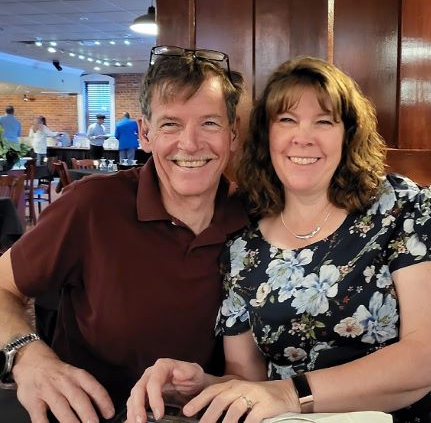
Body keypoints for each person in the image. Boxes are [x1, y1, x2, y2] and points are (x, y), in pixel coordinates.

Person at [127, 57, 431, 423]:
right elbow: (248, 381)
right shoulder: (242, 242)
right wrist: (201, 385)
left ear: (347, 134)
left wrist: (292, 393)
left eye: (324, 121)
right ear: (266, 135)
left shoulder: (400, 207)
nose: (303, 137)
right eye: (287, 120)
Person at [0, 46, 247, 422]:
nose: (191, 143)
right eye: (170, 124)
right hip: (92, 413)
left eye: (210, 123)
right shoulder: (91, 204)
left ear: (233, 134)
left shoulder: (256, 217)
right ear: (145, 134)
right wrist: (28, 355)